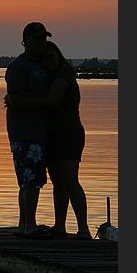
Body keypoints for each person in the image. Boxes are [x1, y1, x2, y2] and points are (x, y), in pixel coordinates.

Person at [5, 22, 52, 238]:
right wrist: (46, 102)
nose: (42, 42)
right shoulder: (18, 67)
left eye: (44, 38)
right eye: (38, 38)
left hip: (38, 132)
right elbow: (14, 99)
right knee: (30, 181)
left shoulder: (42, 65)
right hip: (24, 132)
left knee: (29, 180)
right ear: (26, 41)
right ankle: (29, 227)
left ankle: (24, 225)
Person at [43, 42, 91, 239]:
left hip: (69, 133)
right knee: (58, 182)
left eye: (51, 57)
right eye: (44, 58)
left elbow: (52, 99)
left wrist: (19, 101)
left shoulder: (65, 74)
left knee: (71, 181)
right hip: (51, 134)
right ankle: (59, 226)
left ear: (58, 56)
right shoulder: (48, 76)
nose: (48, 61)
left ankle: (83, 229)